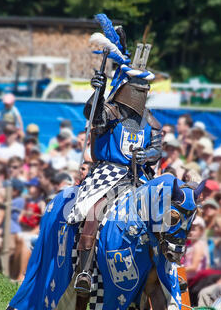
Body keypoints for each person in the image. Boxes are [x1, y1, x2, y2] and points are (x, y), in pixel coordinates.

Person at [67, 18, 162, 294]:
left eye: (145, 88)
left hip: (139, 175)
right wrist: (96, 91)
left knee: (165, 215)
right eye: (138, 87)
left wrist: (148, 155)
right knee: (93, 211)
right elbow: (93, 117)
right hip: (108, 173)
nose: (142, 92)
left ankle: (165, 270)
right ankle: (84, 272)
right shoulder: (112, 111)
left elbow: (158, 146)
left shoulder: (149, 120)